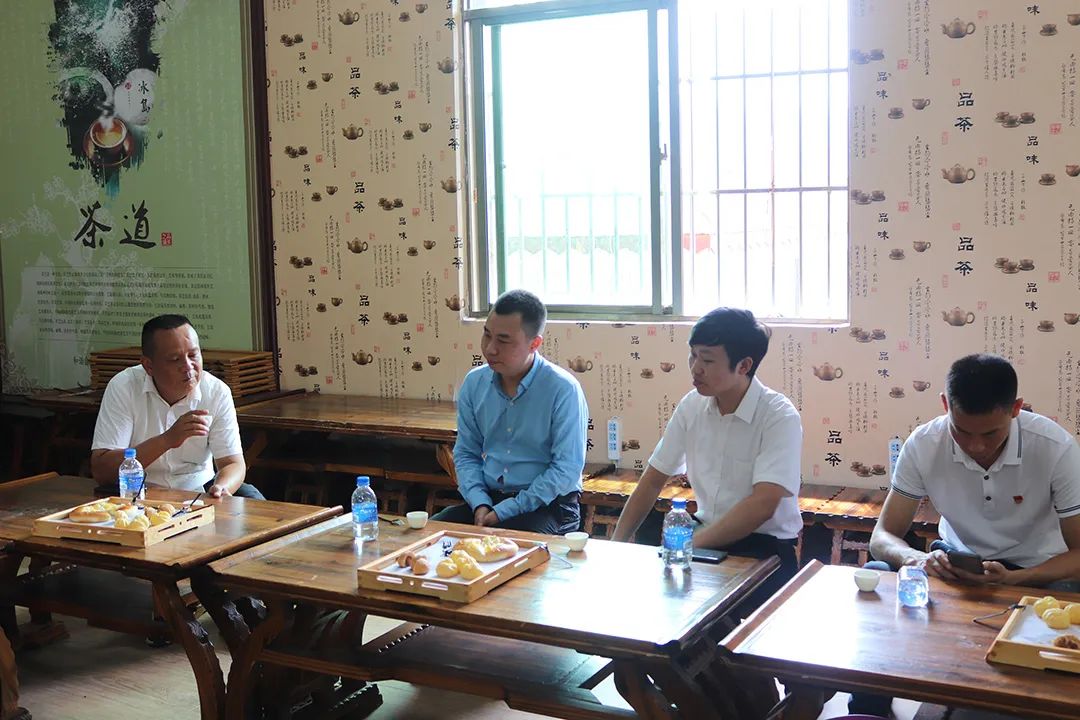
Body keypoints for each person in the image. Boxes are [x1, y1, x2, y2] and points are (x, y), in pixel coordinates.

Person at [849, 353, 1080, 716]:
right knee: (878, 578)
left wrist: (1016, 578)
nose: (976, 446)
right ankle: (868, 708)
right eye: (962, 431)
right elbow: (883, 536)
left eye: (990, 433)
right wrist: (918, 559)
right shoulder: (924, 443)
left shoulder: (1055, 449)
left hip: (1037, 573)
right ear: (945, 405)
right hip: (955, 565)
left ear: (1016, 408)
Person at [612, 307, 804, 611]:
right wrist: (615, 547)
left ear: (744, 365)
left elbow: (762, 505)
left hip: (764, 549)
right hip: (703, 537)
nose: (695, 368)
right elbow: (652, 481)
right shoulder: (692, 406)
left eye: (708, 360)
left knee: (722, 628)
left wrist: (689, 545)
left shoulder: (778, 416)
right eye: (693, 356)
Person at [433, 289, 588, 534]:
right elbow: (466, 453)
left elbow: (565, 470)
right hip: (490, 500)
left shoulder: (563, 389)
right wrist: (480, 503)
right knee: (428, 536)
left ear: (534, 344)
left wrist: (505, 511)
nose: (490, 349)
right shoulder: (474, 383)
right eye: (487, 335)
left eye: (503, 341)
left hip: (549, 506)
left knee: (512, 547)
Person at [90, 314, 264, 499]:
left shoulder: (216, 392)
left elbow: (232, 463)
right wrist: (166, 440)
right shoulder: (124, 387)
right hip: (139, 493)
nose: (188, 366)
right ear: (149, 366)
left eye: (193, 355)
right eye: (175, 359)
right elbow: (102, 471)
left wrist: (221, 488)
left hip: (199, 492)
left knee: (251, 497)